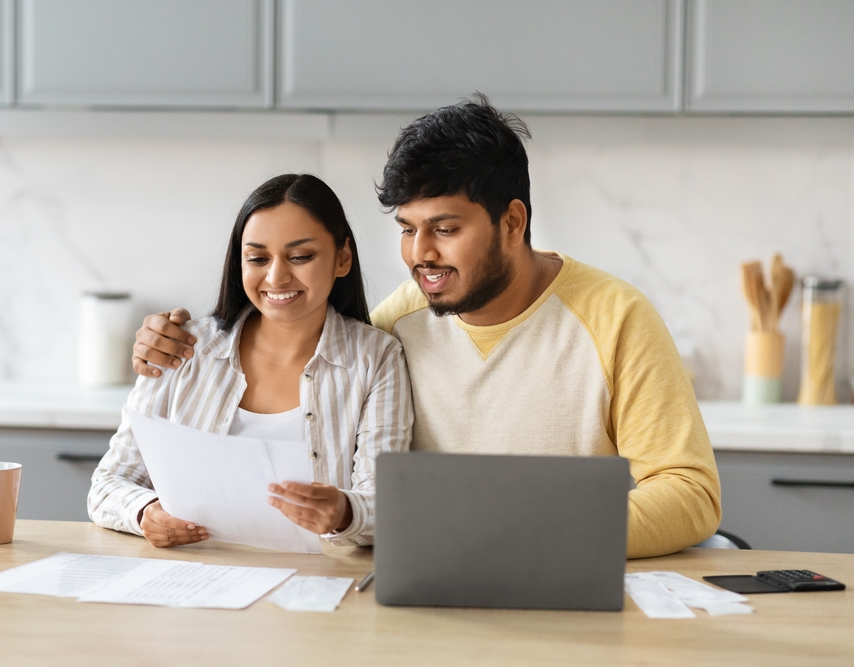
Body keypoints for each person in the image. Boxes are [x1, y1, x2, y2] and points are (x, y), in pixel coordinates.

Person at [130, 96, 721, 559]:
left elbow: (690, 494)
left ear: (512, 221)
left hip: (571, 582)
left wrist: (532, 535)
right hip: (437, 590)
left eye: (445, 228)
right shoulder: (399, 325)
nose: (420, 254)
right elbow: (297, 349)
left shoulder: (616, 319)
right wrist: (164, 341)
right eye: (408, 228)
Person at [89, 173, 412, 548]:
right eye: (258, 258)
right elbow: (106, 485)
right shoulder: (180, 347)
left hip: (316, 586)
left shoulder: (378, 358)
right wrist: (145, 512)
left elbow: (384, 506)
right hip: (194, 580)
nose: (276, 277)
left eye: (300, 257)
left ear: (342, 259)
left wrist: (344, 513)